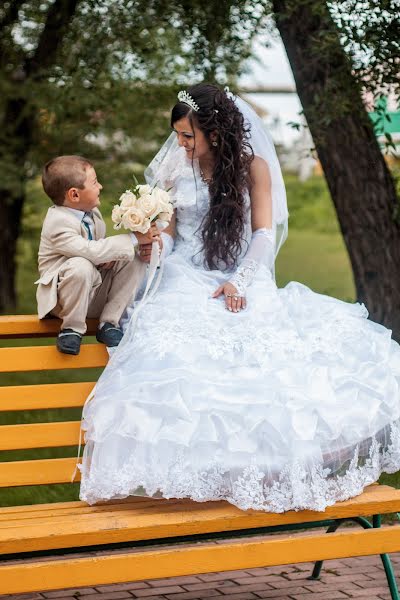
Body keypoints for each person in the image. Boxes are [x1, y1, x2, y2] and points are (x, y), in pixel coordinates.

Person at [78, 85, 400, 512]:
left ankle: (264, 466)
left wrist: (241, 282)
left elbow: (264, 234)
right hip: (186, 273)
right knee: (171, 341)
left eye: (188, 136)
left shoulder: (254, 169)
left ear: (216, 132)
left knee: (259, 346)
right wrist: (151, 246)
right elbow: (172, 238)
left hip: (241, 271)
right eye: (177, 135)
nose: (181, 144)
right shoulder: (175, 171)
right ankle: (194, 469)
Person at [36, 155, 160, 355]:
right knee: (80, 265)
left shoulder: (92, 214)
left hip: (91, 291)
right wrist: (134, 238)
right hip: (64, 301)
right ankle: (71, 329)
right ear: (74, 195)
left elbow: (97, 252)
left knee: (131, 258)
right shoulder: (57, 222)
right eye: (94, 182)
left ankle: (109, 323)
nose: (100, 186)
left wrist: (114, 258)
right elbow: (89, 251)